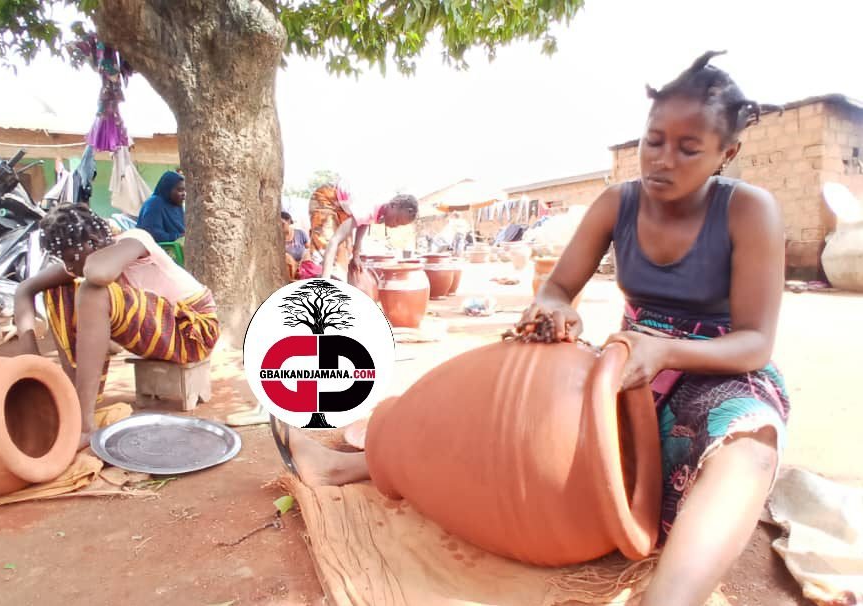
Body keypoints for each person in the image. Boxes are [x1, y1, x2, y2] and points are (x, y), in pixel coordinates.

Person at [270, 51, 790, 606]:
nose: (662, 160)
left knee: (748, 449)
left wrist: (665, 351)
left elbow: (756, 342)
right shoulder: (620, 203)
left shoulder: (747, 210)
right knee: (517, 436)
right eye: (653, 140)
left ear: (726, 153)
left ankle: (666, 599)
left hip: (719, 371)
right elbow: (556, 288)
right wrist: (554, 309)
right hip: (629, 370)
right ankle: (351, 465)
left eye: (689, 149)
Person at [14, 204, 220, 448]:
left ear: (91, 241)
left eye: (71, 259)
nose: (70, 268)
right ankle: (72, 399)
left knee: (92, 291)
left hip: (192, 331)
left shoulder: (135, 239)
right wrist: (33, 368)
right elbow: (24, 289)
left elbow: (98, 273)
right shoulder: (91, 257)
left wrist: (85, 262)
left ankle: (83, 424)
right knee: (60, 290)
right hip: (159, 330)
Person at [307, 183, 418, 280]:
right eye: (397, 220)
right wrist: (325, 280)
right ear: (393, 205)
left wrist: (356, 254)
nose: (395, 225)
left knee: (345, 249)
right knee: (326, 243)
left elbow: (364, 222)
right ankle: (320, 285)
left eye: (399, 225)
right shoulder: (369, 206)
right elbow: (334, 241)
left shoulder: (380, 209)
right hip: (326, 198)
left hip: (342, 207)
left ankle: (335, 283)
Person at [137, 171, 186, 242]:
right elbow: (153, 234)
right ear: (167, 189)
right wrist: (178, 237)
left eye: (184, 190)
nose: (184, 194)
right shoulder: (154, 204)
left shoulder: (177, 205)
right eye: (179, 190)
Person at [281, 211, 309, 281]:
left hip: (302, 264)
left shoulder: (300, 233)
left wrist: (303, 261)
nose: (281, 227)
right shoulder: (279, 238)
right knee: (287, 257)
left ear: (289, 221)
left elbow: (309, 248)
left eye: (282, 224)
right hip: (289, 268)